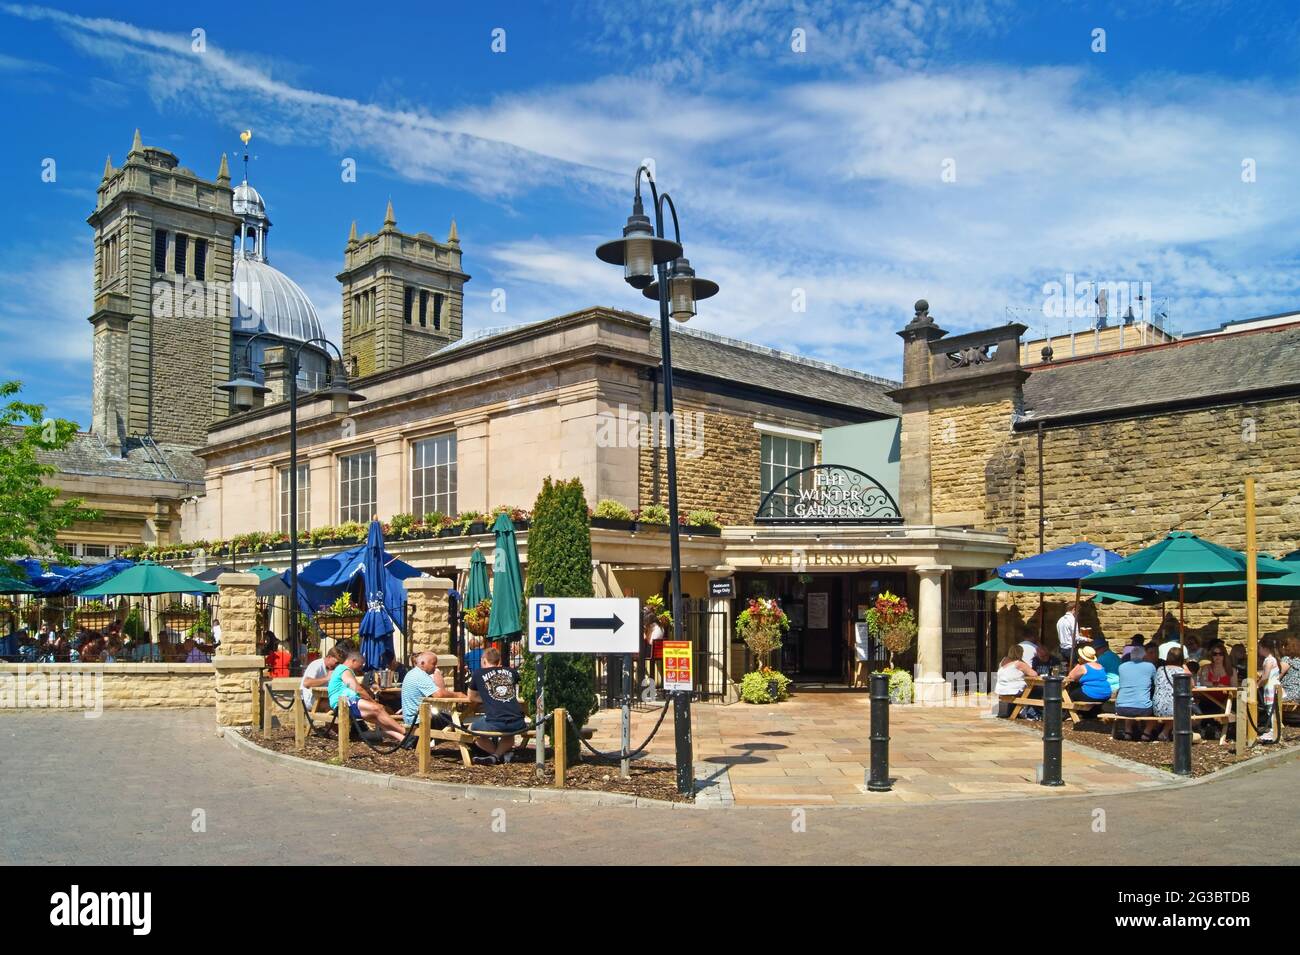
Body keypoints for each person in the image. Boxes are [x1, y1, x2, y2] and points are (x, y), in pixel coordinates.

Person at [327, 649, 408, 742]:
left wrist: (368, 689)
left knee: (378, 719)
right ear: (353, 661)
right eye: (361, 664)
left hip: (346, 702)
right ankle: (405, 731)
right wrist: (372, 701)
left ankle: (404, 739)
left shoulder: (344, 671)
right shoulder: (344, 670)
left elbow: (358, 687)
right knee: (378, 708)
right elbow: (358, 689)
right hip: (343, 703)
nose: (361, 667)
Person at [466, 645, 527, 765]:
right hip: (518, 722)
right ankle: (498, 756)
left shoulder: (478, 674)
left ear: (484, 660)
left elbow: (471, 697)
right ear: (499, 661)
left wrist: (487, 698)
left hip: (495, 721)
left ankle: (496, 756)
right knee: (509, 734)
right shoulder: (511, 672)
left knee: (471, 729)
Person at [400, 650, 465, 743]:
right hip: (419, 720)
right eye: (433, 664)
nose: (436, 666)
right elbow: (439, 694)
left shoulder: (412, 673)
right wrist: (458, 695)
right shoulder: (420, 675)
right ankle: (479, 750)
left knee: (453, 722)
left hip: (413, 718)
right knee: (457, 724)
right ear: (422, 663)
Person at [1115, 645, 1158, 741]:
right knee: (1157, 710)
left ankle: (1128, 732)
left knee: (1129, 700)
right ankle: (1146, 733)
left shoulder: (1121, 667)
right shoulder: (1150, 666)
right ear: (1144, 656)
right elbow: (1156, 682)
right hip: (1142, 708)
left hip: (1121, 708)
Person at [995, 645, 1037, 718]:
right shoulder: (1019, 664)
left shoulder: (1003, 660)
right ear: (1021, 653)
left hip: (1001, 689)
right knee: (1034, 691)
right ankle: (1031, 713)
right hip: (1013, 690)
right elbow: (1034, 674)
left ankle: (1015, 711)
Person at [300, 644, 343, 708]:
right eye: (336, 663)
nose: (337, 666)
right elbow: (306, 683)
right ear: (329, 657)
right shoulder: (317, 665)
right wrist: (326, 678)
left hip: (322, 697)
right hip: (309, 700)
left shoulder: (332, 668)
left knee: (345, 701)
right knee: (340, 704)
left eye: (339, 663)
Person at [1258, 638, 1282, 743]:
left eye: (1259, 648)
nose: (1258, 650)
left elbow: (1266, 676)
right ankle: (1274, 729)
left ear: (1264, 648)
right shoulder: (1273, 659)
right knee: (1272, 710)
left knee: (1271, 710)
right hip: (1273, 686)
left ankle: (1273, 730)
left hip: (1271, 688)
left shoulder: (1268, 660)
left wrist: (1258, 685)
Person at [1279, 635, 1300, 708]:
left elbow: (1277, 675)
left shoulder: (1287, 660)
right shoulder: (1298, 660)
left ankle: (1268, 716)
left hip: (1289, 694)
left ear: (1284, 647)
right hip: (1298, 694)